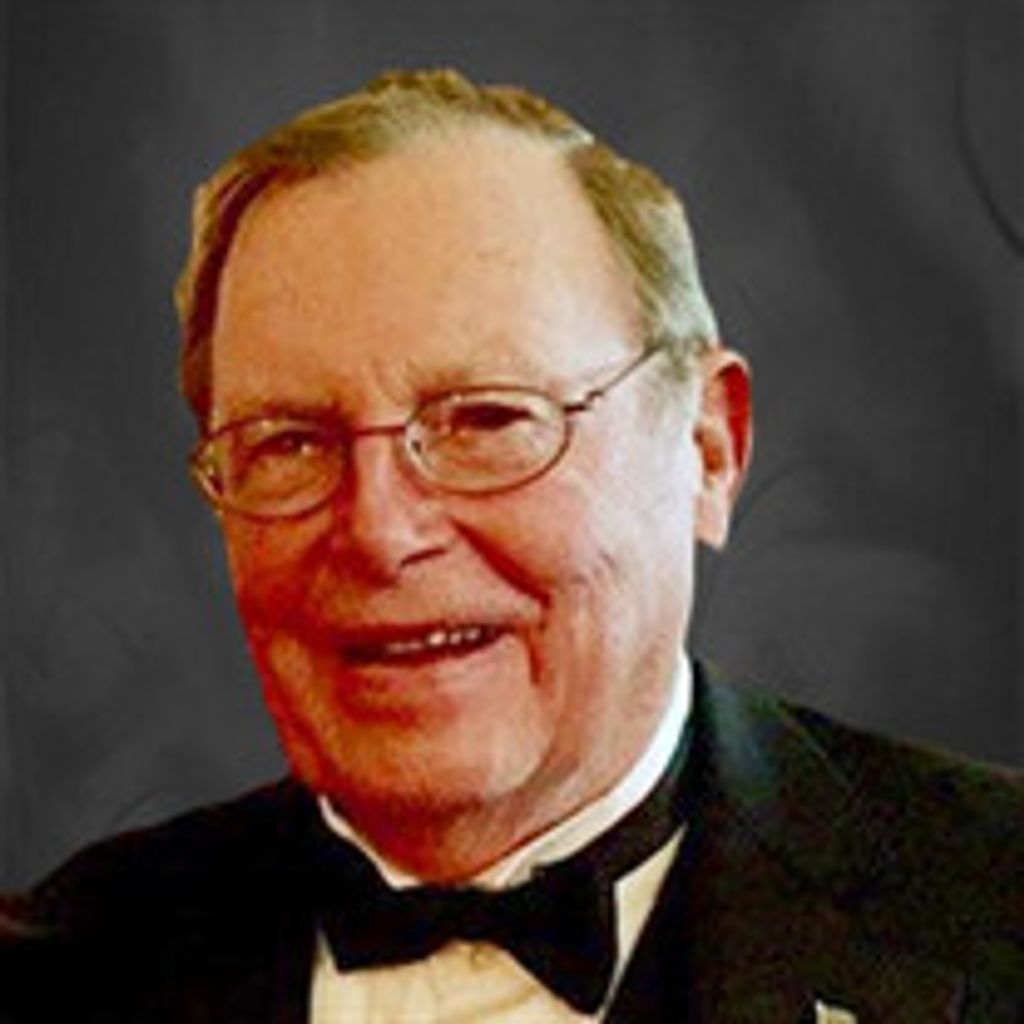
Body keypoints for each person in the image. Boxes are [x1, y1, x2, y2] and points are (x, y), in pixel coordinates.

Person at [1, 68, 1021, 1023]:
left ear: (708, 450)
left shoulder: (993, 910)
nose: (379, 532)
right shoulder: (63, 959)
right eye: (289, 443)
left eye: (487, 420)